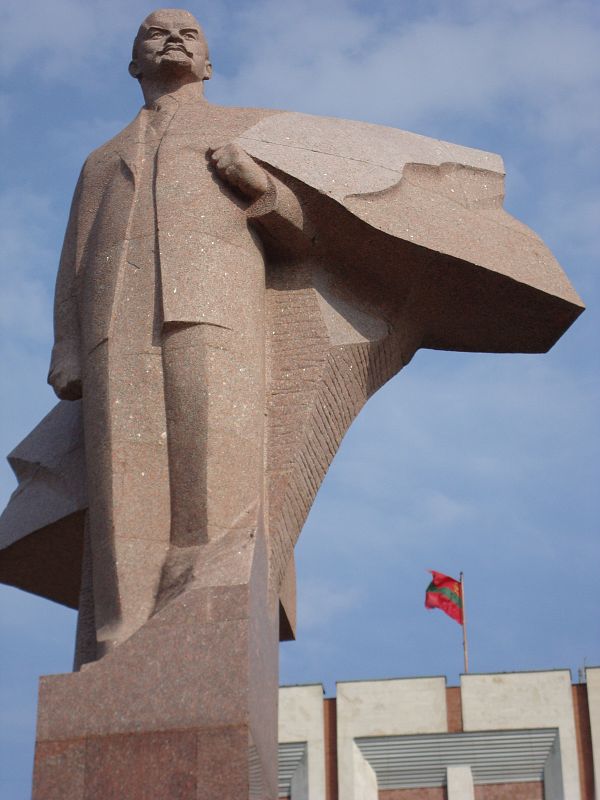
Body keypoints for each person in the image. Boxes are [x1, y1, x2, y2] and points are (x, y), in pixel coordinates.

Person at [47, 8, 308, 661]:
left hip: (216, 313)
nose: (173, 39)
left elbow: (308, 232)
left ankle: (205, 627)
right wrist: (67, 344)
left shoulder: (246, 130)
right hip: (116, 324)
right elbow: (74, 261)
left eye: (189, 33)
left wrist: (264, 188)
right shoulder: (101, 159)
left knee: (216, 474)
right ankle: (121, 632)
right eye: (155, 34)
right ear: (135, 63)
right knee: (121, 485)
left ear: (209, 63)